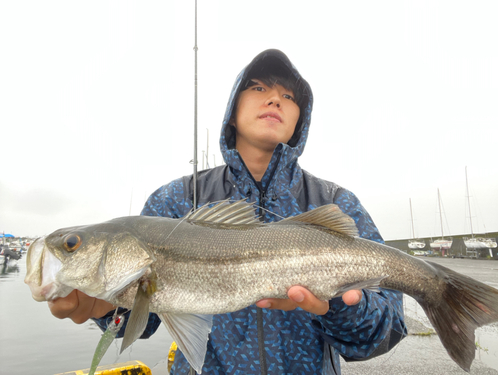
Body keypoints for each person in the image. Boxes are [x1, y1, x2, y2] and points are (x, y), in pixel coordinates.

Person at [49, 49, 407, 374]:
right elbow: (145, 322)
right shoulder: (175, 199)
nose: (274, 99)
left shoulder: (335, 201)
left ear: (302, 118)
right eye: (258, 87)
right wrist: (102, 307)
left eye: (289, 96)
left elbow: (381, 336)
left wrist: (337, 306)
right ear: (232, 111)